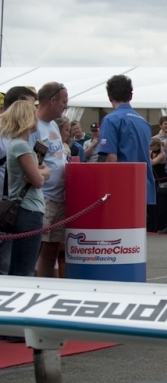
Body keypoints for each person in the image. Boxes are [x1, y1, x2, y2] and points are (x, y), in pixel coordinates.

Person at [2, 100, 49, 276]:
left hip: (23, 210)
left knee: (18, 265)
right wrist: (39, 173)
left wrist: (38, 172)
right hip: (28, 211)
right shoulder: (22, 146)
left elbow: (44, 172)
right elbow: (39, 180)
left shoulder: (20, 145)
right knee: (25, 268)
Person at [97, 74, 156, 206]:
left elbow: (111, 159)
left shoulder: (110, 120)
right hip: (144, 188)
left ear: (109, 97)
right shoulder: (144, 123)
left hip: (121, 189)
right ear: (130, 96)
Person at [33, 81, 69, 278]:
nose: (66, 106)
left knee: (52, 252)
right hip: (45, 198)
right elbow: (37, 163)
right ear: (52, 100)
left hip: (60, 197)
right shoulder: (36, 128)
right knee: (38, 250)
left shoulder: (53, 125)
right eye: (64, 101)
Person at [150, 137, 167, 232]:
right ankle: (153, 224)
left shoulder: (162, 154)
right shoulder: (150, 153)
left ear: (157, 146)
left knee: (162, 203)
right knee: (154, 203)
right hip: (154, 180)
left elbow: (152, 162)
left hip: (162, 180)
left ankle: (163, 224)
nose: (150, 147)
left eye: (151, 145)